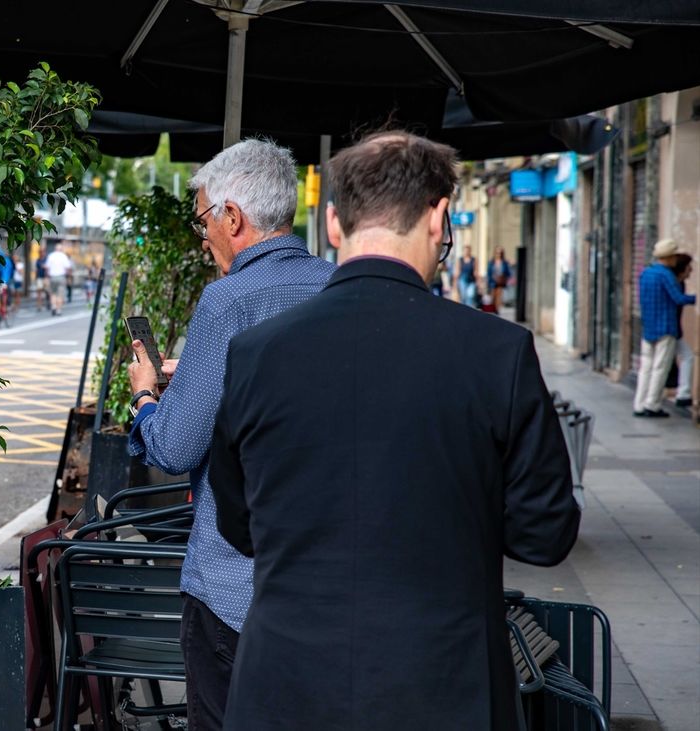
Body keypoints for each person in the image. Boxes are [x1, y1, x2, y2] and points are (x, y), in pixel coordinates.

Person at [209, 130, 580, 731]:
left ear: (334, 223)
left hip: (286, 686)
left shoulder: (254, 353)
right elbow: (545, 534)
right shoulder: (498, 352)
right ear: (439, 218)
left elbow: (239, 525)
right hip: (448, 687)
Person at [125, 138, 335, 730]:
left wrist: (146, 396)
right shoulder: (339, 287)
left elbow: (174, 448)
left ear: (233, 217)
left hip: (234, 590)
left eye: (203, 222)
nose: (202, 238)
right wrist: (195, 376)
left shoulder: (227, 301)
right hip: (325, 589)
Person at [633, 239, 696, 417]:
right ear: (669, 257)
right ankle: (652, 405)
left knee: (645, 368)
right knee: (660, 368)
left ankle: (639, 404)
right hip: (665, 326)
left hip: (648, 327)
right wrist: (695, 298)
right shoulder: (666, 275)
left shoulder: (646, 273)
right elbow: (678, 298)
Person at [669, 252, 694, 409]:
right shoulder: (674, 283)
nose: (691, 270)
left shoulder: (679, 283)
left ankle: (682, 393)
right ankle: (683, 393)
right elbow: (678, 301)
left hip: (672, 329)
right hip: (668, 329)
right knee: (687, 356)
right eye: (689, 267)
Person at [44, 244, 73, 315]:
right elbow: (68, 267)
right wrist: (68, 276)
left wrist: (47, 277)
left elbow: (47, 267)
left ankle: (53, 306)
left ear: (55, 249)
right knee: (60, 294)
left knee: (53, 293)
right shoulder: (63, 256)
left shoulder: (51, 256)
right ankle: (58, 310)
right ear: (61, 249)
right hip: (61, 277)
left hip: (52, 277)